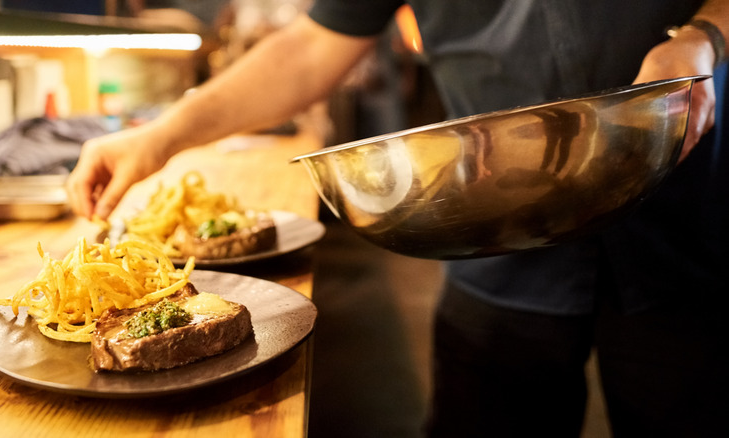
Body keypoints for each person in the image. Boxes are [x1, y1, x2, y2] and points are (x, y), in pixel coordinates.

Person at [66, 1, 729, 436]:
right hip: (494, 242)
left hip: (687, 226)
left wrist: (703, 37)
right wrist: (161, 136)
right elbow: (311, 50)